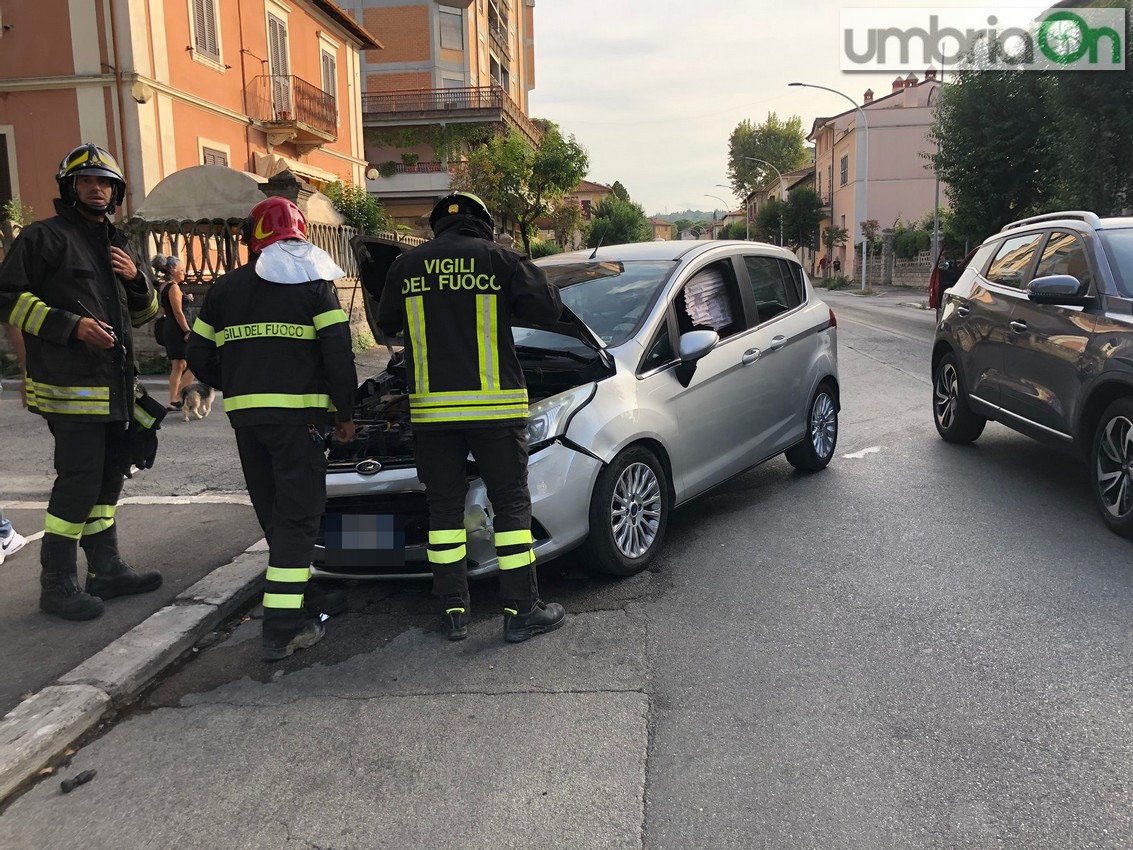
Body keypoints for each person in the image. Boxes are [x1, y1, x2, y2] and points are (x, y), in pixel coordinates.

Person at [377, 191, 567, 644]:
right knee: (511, 508)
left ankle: (453, 611)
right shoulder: (498, 260)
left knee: (443, 511)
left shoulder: (406, 266)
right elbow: (550, 309)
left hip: (433, 414)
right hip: (495, 412)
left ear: (437, 226)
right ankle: (521, 610)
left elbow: (385, 324)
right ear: (482, 222)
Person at [187, 196, 357, 662]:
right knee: (299, 517)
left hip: (248, 421)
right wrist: (345, 412)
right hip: (299, 421)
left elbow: (198, 355)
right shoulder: (313, 285)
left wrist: (238, 383)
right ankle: (283, 628)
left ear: (254, 241)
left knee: (275, 514)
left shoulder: (224, 289)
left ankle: (299, 595)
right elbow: (338, 355)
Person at [0, 143, 164, 620]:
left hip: (115, 388)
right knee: (79, 480)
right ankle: (57, 583)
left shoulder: (120, 245)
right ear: (70, 187)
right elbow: (8, 299)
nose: (97, 188)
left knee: (111, 476)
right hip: (69, 389)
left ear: (115, 192)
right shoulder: (42, 238)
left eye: (106, 182)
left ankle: (106, 569)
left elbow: (146, 314)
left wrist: (137, 280)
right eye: (88, 181)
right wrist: (71, 326)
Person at [152, 254, 195, 410]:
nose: (184, 271)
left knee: (179, 365)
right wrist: (187, 331)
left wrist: (186, 299)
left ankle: (174, 400)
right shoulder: (174, 287)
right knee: (194, 364)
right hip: (178, 329)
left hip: (170, 327)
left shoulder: (164, 286)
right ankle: (178, 397)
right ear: (173, 270)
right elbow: (178, 312)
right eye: (181, 268)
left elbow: (164, 308)